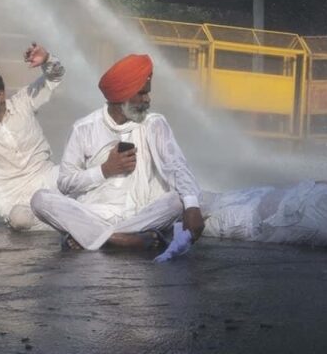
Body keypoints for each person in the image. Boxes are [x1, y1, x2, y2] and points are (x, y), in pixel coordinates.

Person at [31, 53, 205, 250]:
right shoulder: (84, 128)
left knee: (179, 201)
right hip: (95, 213)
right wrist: (104, 170)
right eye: (141, 93)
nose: (147, 99)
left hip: (141, 213)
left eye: (147, 92)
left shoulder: (154, 123)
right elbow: (64, 183)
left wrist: (192, 207)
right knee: (40, 200)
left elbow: (176, 166)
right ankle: (124, 239)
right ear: (122, 97)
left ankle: (98, 238)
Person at [0, 43, 64, 230]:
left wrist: (47, 60)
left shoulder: (23, 102)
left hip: (48, 177)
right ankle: (67, 221)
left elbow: (55, 77)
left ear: (0, 95)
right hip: (16, 199)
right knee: (20, 220)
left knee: (83, 174)